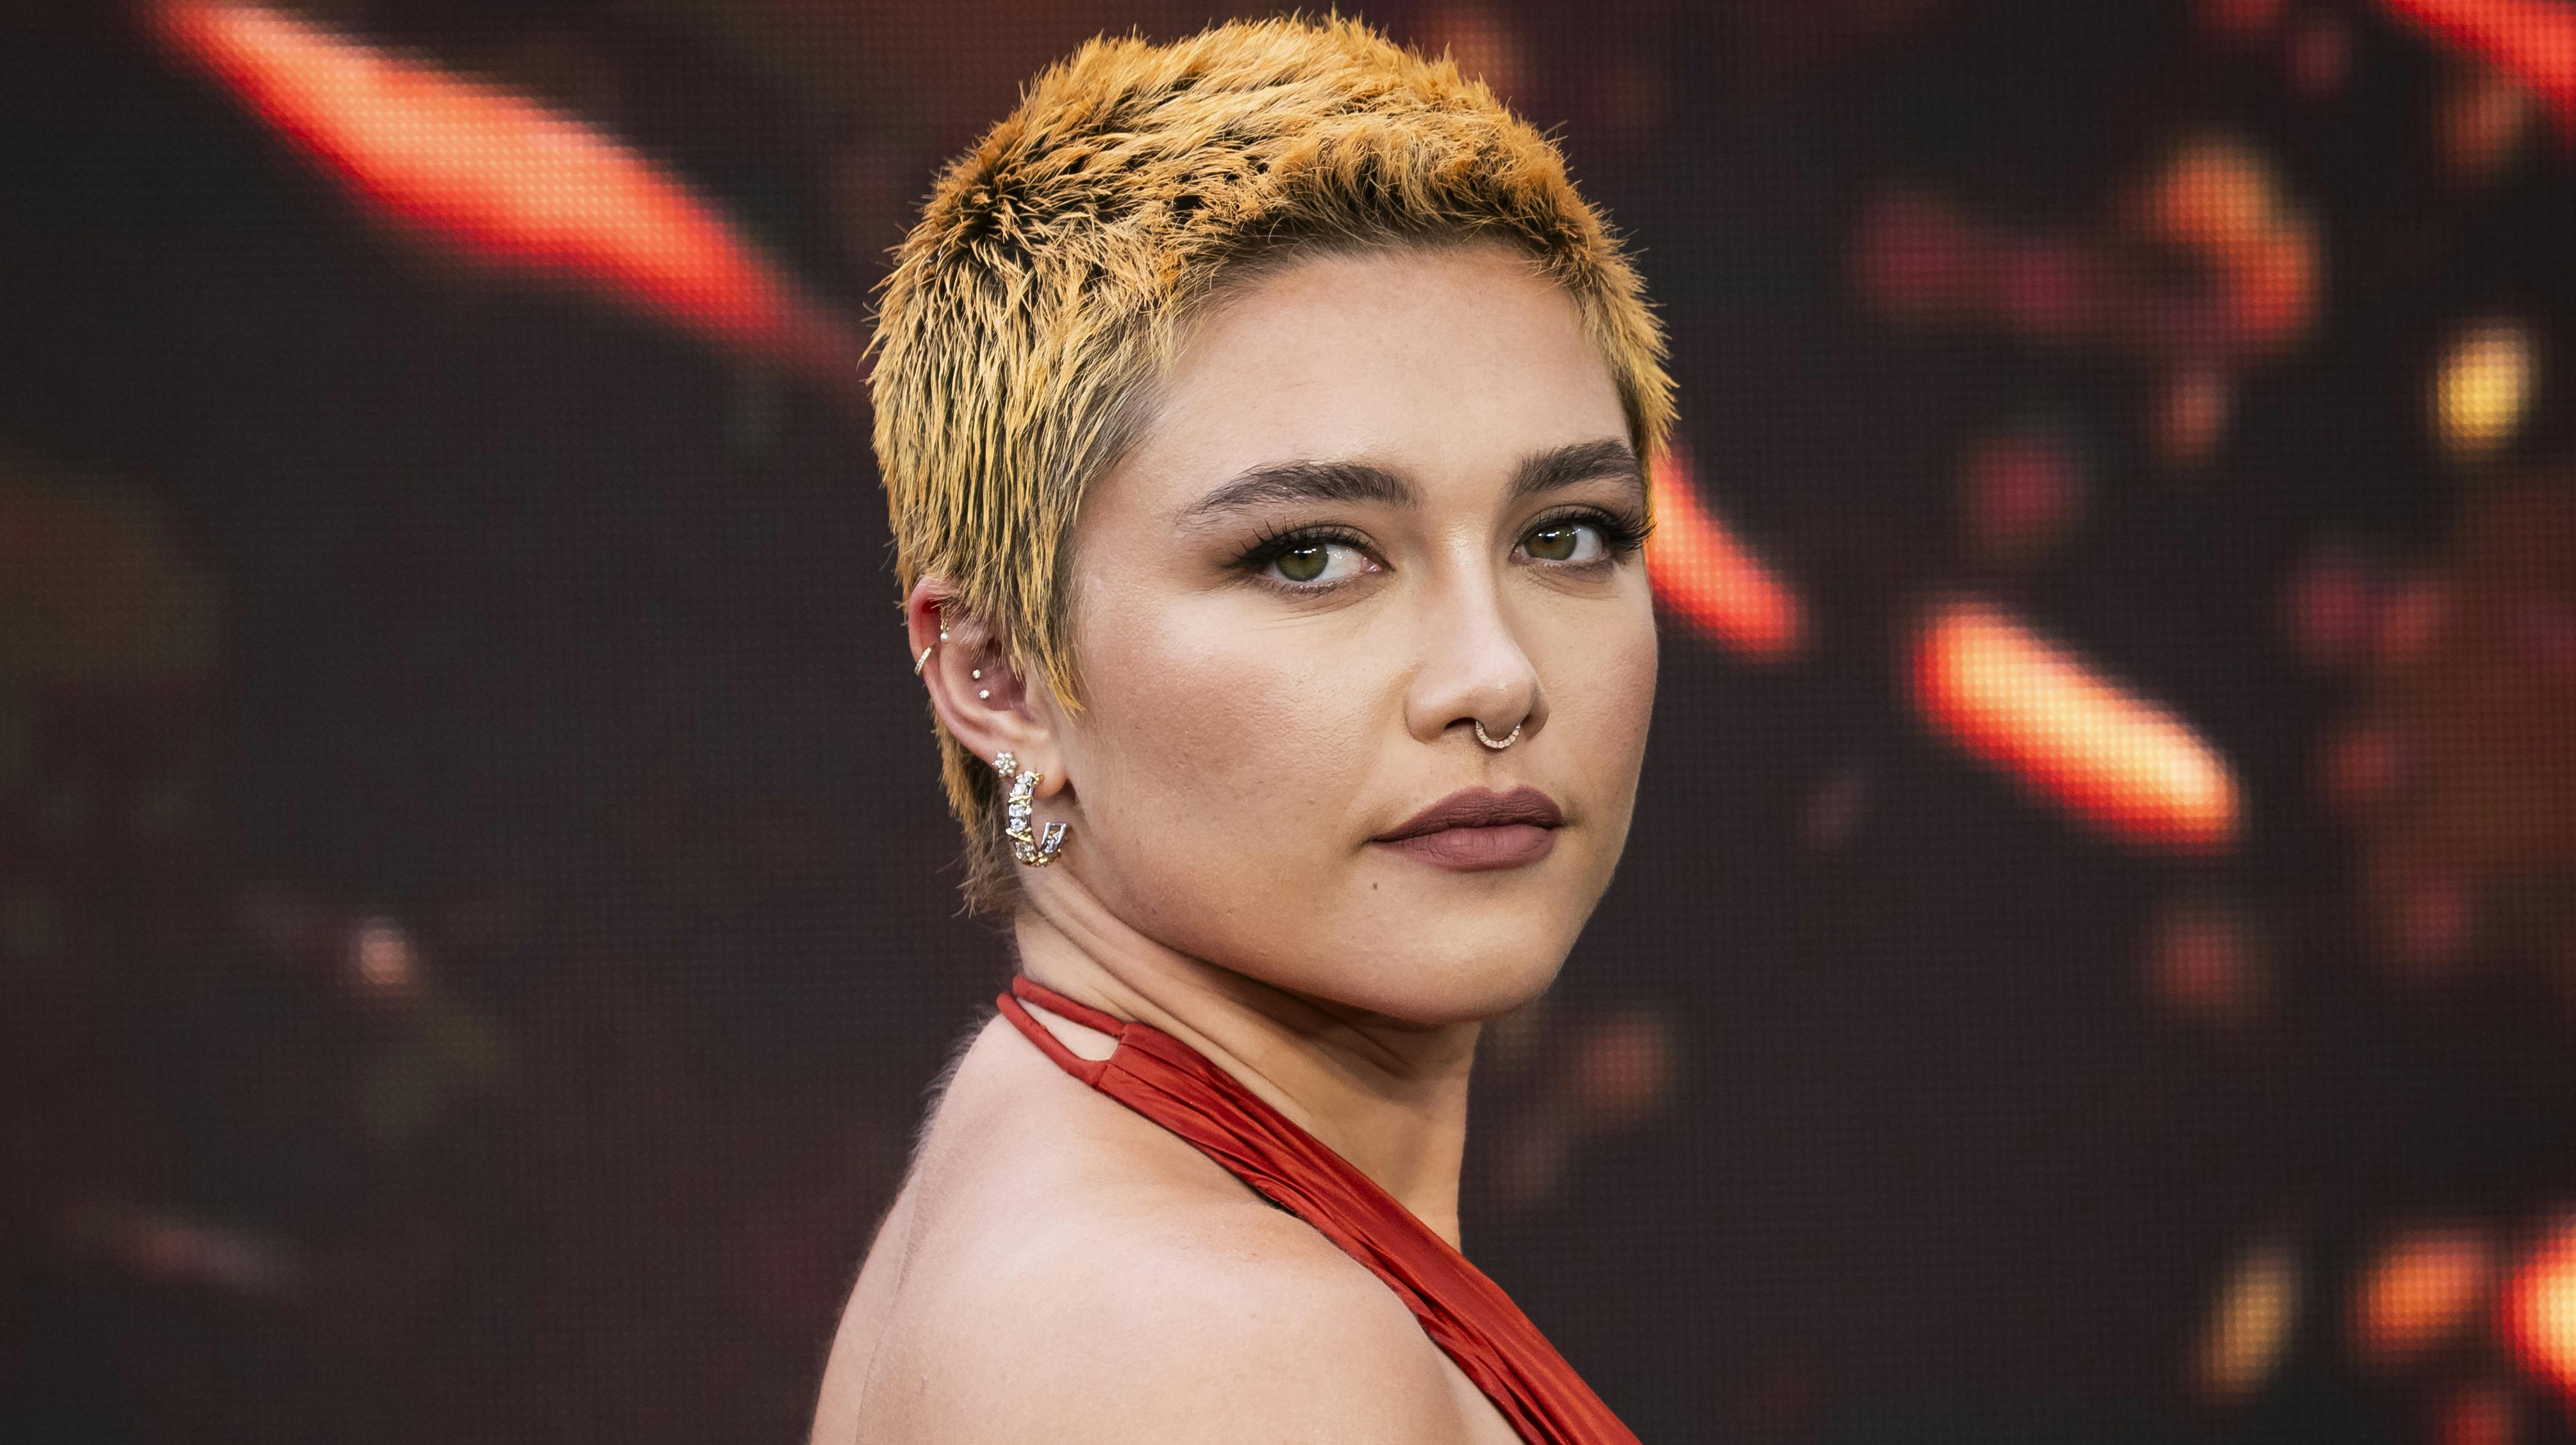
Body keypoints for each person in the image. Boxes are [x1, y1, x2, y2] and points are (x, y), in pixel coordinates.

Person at [811, 17, 1669, 1442]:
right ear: (1001, 679)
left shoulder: (1077, 1159)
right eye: (1311, 555)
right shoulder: (1205, 1347)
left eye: (1567, 532)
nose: (1497, 673)